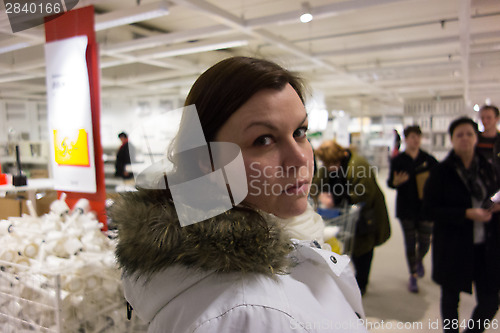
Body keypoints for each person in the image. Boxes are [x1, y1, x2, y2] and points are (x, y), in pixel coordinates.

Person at [109, 57, 367, 332]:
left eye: (300, 132)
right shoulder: (248, 314)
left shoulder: (289, 236)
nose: (300, 158)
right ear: (206, 160)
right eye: (263, 140)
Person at [423, 117, 500, 333]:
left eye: (469, 134)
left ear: (476, 138)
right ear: (452, 140)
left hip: (486, 246)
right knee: (450, 299)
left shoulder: (488, 169)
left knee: (490, 301)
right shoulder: (441, 172)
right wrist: (465, 213)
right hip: (453, 245)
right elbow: (428, 210)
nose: (465, 138)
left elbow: (495, 195)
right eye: (459, 134)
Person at [313, 140, 391, 295]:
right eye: (326, 164)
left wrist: (335, 199)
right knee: (347, 247)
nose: (329, 167)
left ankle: (362, 285)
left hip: (366, 215)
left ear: (340, 156)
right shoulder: (328, 166)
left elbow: (365, 193)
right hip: (345, 216)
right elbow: (317, 183)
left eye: (331, 163)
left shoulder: (358, 164)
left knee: (363, 249)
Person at [387, 125, 438, 293]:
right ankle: (413, 274)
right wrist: (395, 183)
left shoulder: (429, 160)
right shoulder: (398, 160)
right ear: (406, 139)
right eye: (412, 137)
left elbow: (440, 180)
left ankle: (418, 260)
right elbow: (390, 182)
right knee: (410, 243)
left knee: (425, 242)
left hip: (426, 208)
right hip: (406, 208)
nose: (415, 140)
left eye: (418, 137)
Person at [477, 104, 500, 171]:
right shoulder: (475, 140)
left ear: (497, 119)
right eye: (482, 118)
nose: (485, 121)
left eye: (489, 118)